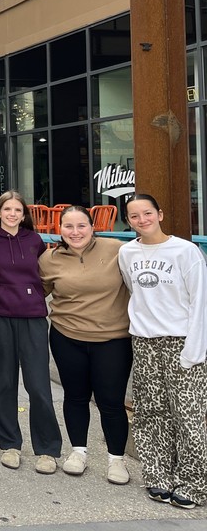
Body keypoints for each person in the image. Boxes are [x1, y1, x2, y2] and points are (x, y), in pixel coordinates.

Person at [118, 193, 207, 508]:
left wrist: (195, 350)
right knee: (150, 413)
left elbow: (200, 302)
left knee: (189, 416)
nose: (142, 220)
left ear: (160, 214)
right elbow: (134, 290)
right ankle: (158, 477)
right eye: (134, 216)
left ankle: (194, 485)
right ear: (128, 221)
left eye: (147, 213)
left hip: (181, 340)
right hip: (144, 341)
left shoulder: (186, 252)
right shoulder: (127, 253)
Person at [39, 205, 130, 485]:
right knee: (75, 397)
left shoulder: (117, 249)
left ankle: (117, 459)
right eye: (68, 227)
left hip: (112, 339)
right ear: (59, 229)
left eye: (81, 226)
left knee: (111, 402)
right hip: (68, 337)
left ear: (93, 227)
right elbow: (35, 292)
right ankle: (78, 452)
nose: (75, 232)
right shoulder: (49, 259)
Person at [0, 191, 61, 474]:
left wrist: (34, 295)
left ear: (24, 213)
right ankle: (10, 444)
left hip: (33, 317)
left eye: (18, 209)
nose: (13, 214)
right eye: (8, 209)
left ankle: (47, 449)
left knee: (38, 385)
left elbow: (47, 275)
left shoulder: (35, 241)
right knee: (3, 383)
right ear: (0, 213)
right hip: (0, 316)